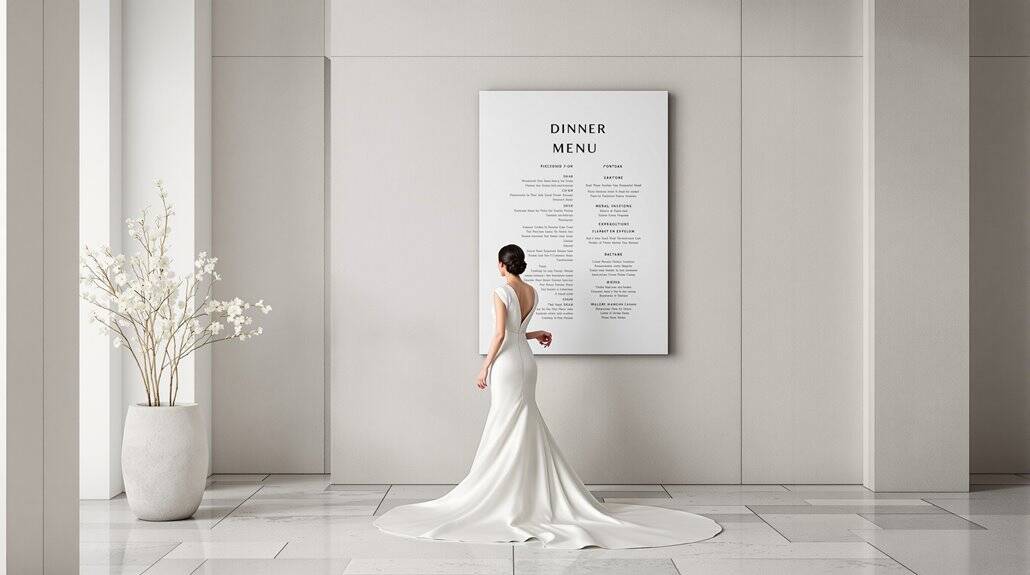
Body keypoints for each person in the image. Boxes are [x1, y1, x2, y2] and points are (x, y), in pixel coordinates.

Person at [374, 244, 721, 549]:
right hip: (527, 363)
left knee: (505, 421)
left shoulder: (501, 291)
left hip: (508, 363)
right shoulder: (532, 291)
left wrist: (484, 366)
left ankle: (506, 492)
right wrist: (535, 332)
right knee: (521, 420)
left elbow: (500, 334)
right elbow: (517, 332)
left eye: (499, 263)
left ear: (502, 264)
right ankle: (526, 491)